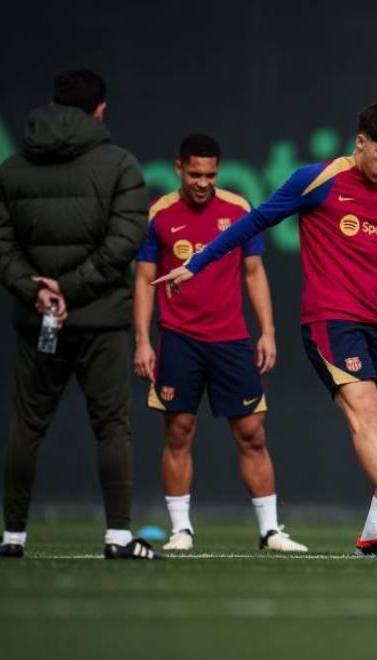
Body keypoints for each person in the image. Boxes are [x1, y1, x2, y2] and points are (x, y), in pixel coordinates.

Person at [152, 103, 377, 556]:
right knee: (368, 416)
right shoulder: (316, 181)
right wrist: (197, 262)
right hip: (330, 319)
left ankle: (374, 534)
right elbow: (255, 221)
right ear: (360, 142)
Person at [0, 68, 156, 559]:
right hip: (99, 320)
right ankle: (119, 537)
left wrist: (35, 289)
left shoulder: (11, 170)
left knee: (26, 425)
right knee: (111, 426)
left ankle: (13, 536)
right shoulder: (121, 166)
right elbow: (124, 243)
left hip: (39, 317)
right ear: (100, 110)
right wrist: (72, 288)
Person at [134, 134, 307, 553]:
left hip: (230, 339)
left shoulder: (238, 209)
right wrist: (142, 341)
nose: (203, 182)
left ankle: (269, 531)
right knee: (178, 432)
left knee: (252, 434)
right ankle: (181, 530)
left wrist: (267, 331)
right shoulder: (159, 214)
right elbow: (143, 280)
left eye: (210, 174)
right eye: (195, 173)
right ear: (179, 169)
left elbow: (253, 273)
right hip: (178, 339)